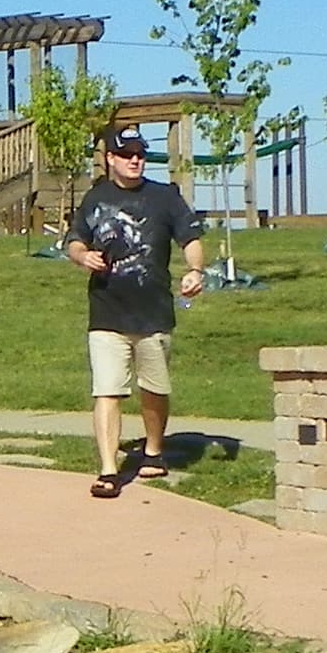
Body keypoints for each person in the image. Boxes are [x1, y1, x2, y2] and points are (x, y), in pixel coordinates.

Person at [63, 122, 206, 499]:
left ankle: (154, 451)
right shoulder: (96, 198)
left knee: (154, 390)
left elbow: (190, 238)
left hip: (153, 312)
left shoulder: (165, 197)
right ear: (110, 158)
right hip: (107, 312)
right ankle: (109, 469)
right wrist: (83, 257)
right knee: (107, 390)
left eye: (140, 154)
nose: (135, 160)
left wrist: (195, 270)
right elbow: (74, 241)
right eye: (126, 154)